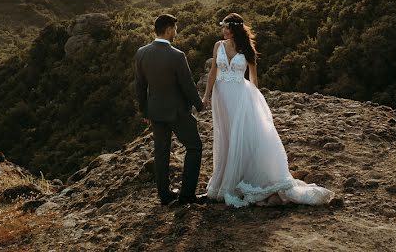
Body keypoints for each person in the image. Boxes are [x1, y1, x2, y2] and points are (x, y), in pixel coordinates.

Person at [202, 13, 334, 207]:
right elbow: (213, 71)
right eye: (223, 28)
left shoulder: (247, 49)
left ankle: (241, 179)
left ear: (235, 29)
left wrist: (254, 101)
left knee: (243, 136)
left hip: (240, 96)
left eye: (227, 28)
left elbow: (253, 79)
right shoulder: (218, 46)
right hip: (221, 96)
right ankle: (224, 179)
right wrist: (207, 95)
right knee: (227, 136)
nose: (224, 31)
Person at [134, 13, 207, 205]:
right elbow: (188, 85)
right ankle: (187, 195)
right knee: (194, 147)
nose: (176, 32)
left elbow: (140, 86)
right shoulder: (177, 56)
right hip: (177, 112)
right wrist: (200, 105)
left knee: (161, 152)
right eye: (175, 28)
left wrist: (144, 111)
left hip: (155, 111)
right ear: (168, 30)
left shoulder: (141, 52)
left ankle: (164, 196)